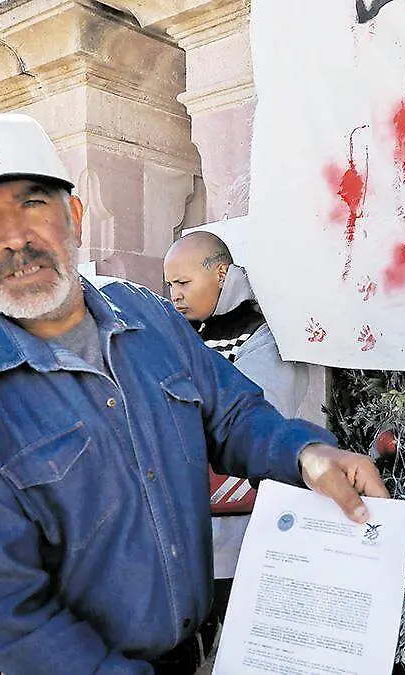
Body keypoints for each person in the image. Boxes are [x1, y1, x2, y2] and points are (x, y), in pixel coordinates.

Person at [0, 112, 388, 674]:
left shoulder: (143, 312)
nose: (15, 238)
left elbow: (231, 412)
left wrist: (306, 453)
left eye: (32, 203)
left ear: (75, 216)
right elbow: (8, 613)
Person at [163, 231, 319, 650]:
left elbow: (259, 417)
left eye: (183, 283)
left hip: (245, 527)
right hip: (193, 532)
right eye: (169, 285)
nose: (174, 295)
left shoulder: (261, 335)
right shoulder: (184, 332)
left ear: (220, 274)